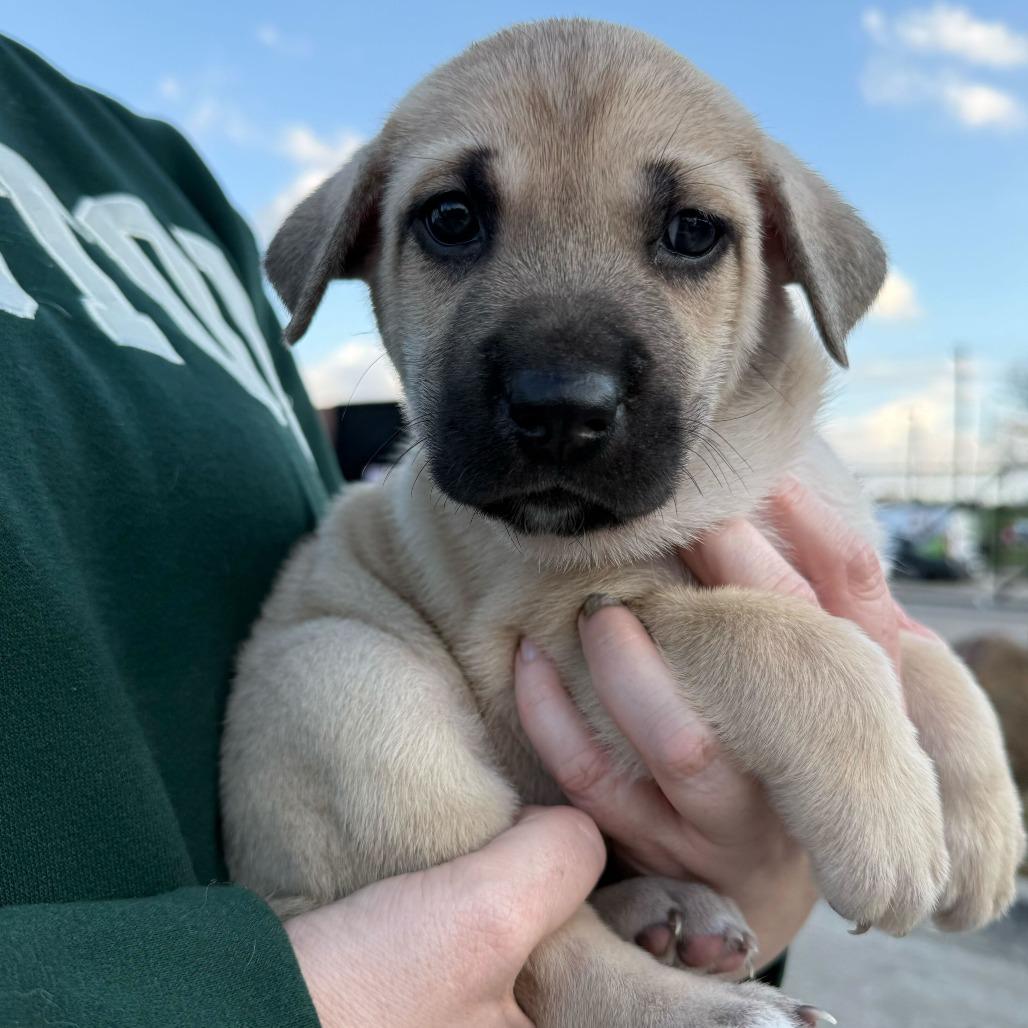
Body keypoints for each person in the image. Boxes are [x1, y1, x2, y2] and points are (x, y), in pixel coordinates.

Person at [0, 34, 933, 1027]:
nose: (562, 381)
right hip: (327, 885)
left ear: (782, 253)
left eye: (687, 234)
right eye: (451, 222)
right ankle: (577, 974)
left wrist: (761, 884)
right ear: (357, 242)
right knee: (328, 674)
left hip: (524, 818)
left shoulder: (157, 184)